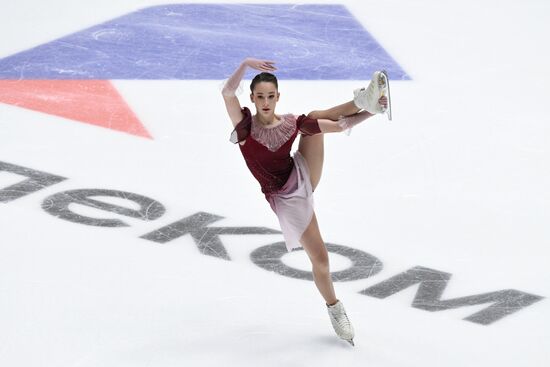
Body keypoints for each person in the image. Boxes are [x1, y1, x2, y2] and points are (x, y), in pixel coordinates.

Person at [221, 58, 389, 346]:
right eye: (260, 96)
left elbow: (337, 126)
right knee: (321, 260)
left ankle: (364, 99)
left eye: (270, 96)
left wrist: (371, 113)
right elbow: (227, 92)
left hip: (302, 172)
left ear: (278, 97)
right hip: (287, 200)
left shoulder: (289, 124)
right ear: (251, 98)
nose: (265, 102)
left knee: (312, 119)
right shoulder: (245, 126)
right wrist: (246, 63)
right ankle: (335, 308)